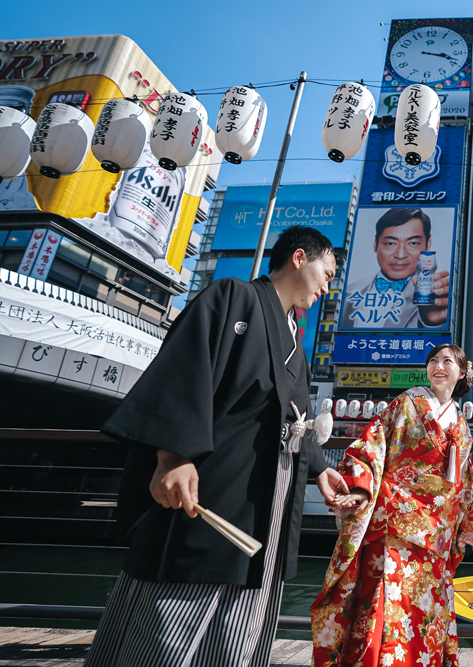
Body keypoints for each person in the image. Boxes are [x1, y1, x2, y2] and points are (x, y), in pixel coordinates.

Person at [86, 226, 351, 667]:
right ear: (299, 258)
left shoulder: (295, 342)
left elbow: (297, 419)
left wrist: (319, 469)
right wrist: (173, 454)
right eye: (327, 273)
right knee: (178, 607)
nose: (327, 286)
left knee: (243, 619)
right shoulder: (233, 297)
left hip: (270, 499)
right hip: (217, 484)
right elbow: (185, 370)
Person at [311, 344, 473, 667]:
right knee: (384, 604)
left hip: (437, 533)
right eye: (433, 361)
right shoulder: (407, 403)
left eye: (447, 361)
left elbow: (466, 480)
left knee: (424, 611)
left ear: (462, 373)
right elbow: (372, 444)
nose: (438, 366)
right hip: (395, 519)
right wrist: (362, 489)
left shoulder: (460, 423)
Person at [341, 208, 450, 329]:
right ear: (375, 243)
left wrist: (433, 324)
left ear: (428, 244)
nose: (400, 255)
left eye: (413, 243)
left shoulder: (435, 296)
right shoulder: (348, 292)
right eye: (390, 243)